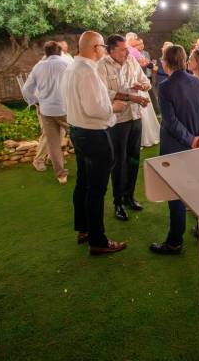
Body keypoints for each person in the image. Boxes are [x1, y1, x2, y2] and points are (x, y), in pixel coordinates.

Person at [60, 31, 128, 255]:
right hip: (93, 134)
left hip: (78, 131)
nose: (105, 51)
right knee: (96, 190)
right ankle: (98, 240)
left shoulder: (71, 67)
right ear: (95, 47)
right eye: (103, 47)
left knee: (83, 183)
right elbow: (94, 108)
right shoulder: (87, 71)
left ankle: (84, 228)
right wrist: (114, 108)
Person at [151, 45, 199, 255]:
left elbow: (170, 122)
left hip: (176, 148)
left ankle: (175, 242)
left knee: (176, 196)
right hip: (197, 145)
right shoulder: (197, 81)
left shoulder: (165, 87)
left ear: (165, 62)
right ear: (185, 61)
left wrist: (193, 139)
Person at [96, 35, 151, 222]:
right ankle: (118, 202)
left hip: (136, 117)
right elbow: (104, 92)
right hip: (118, 121)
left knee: (134, 159)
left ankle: (129, 196)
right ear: (111, 50)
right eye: (122, 49)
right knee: (119, 163)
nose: (127, 52)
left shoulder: (131, 61)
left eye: (126, 49)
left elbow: (146, 81)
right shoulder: (101, 65)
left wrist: (142, 85)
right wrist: (130, 97)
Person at [22, 41, 71, 184]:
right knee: (79, 136)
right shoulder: (67, 63)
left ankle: (61, 175)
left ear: (46, 52)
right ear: (60, 51)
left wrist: (35, 101)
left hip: (46, 110)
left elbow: (26, 89)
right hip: (65, 109)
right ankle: (87, 167)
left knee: (53, 143)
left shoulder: (38, 66)